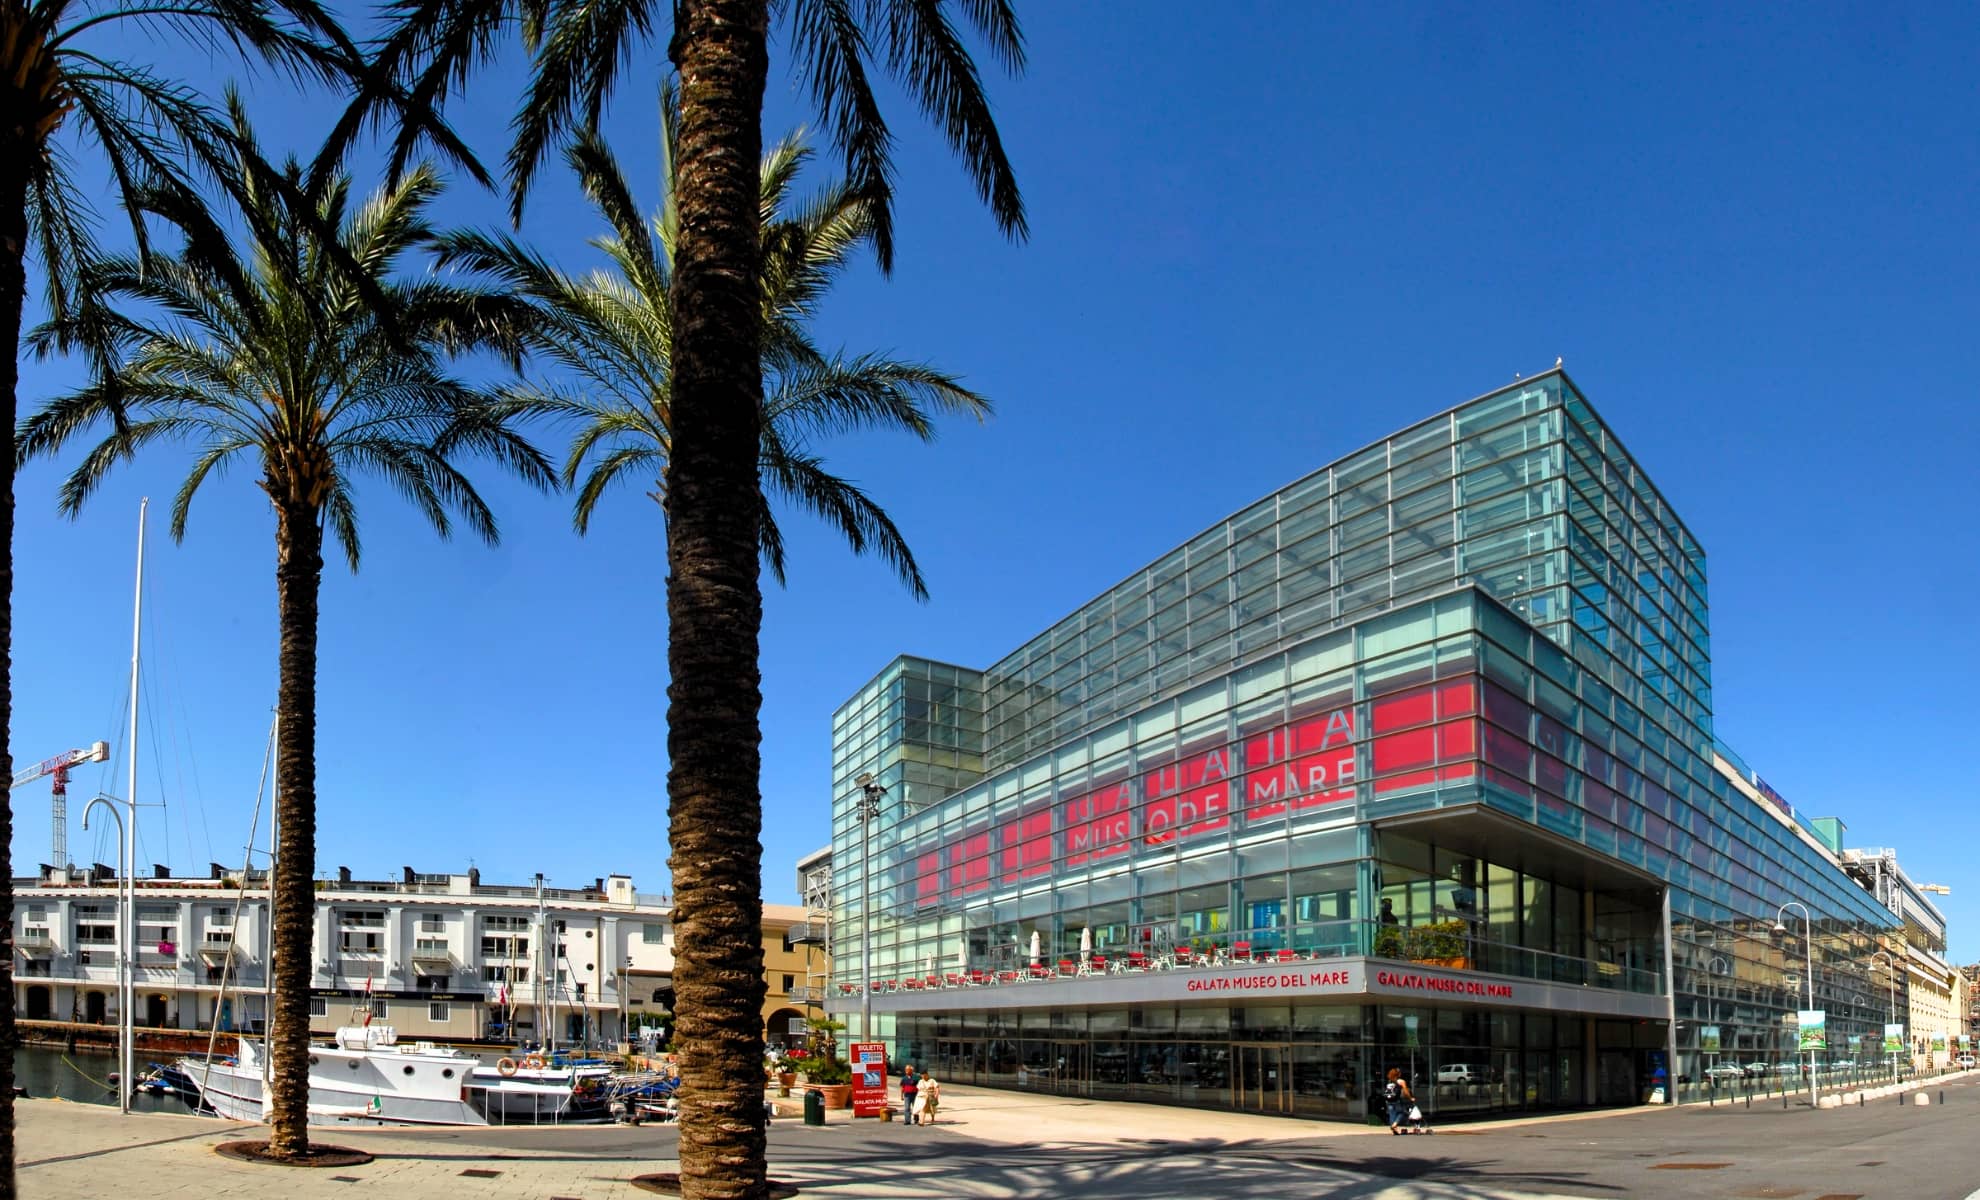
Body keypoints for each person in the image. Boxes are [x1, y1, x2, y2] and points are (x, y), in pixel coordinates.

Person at [1383, 1067, 1421, 1135]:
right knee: (1402, 1112)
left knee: (1392, 1115)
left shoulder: (1389, 1081)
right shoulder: (1401, 1081)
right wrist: (1410, 1098)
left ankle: (1394, 1130)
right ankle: (1395, 1125)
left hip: (1388, 1101)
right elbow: (1406, 1092)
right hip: (1396, 1101)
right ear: (1398, 1074)